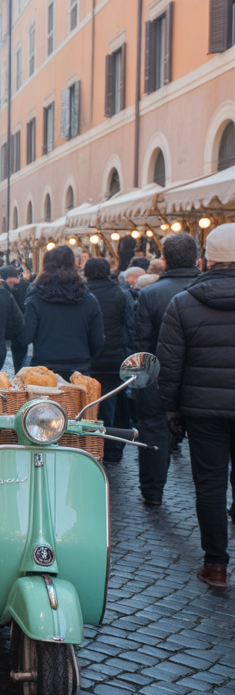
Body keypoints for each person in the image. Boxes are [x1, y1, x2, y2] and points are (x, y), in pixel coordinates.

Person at [156, 223, 235, 587]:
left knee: (210, 485)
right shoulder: (181, 301)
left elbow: (169, 366)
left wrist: (172, 411)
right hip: (206, 406)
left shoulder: (183, 303)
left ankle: (215, 565)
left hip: (203, 409)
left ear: (207, 260)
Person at [133, 232, 203, 506]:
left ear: (163, 260)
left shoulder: (149, 294)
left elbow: (140, 344)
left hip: (157, 375)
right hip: (201, 377)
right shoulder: (205, 289)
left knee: (153, 429)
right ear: (197, 259)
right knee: (209, 436)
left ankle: (152, 491)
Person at [20, 245, 104, 376]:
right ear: (73, 265)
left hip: (45, 368)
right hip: (79, 366)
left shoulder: (36, 299)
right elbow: (98, 340)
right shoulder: (89, 299)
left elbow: (26, 336)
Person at [82, 257, 136, 462]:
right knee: (113, 404)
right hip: (115, 358)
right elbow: (130, 327)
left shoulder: (82, 293)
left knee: (87, 403)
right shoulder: (121, 294)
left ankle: (89, 444)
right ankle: (112, 447)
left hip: (89, 358)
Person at [0, 265, 30, 369]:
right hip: (20, 327)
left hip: (16, 328)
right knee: (19, 360)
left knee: (19, 360)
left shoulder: (6, 289)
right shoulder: (26, 286)